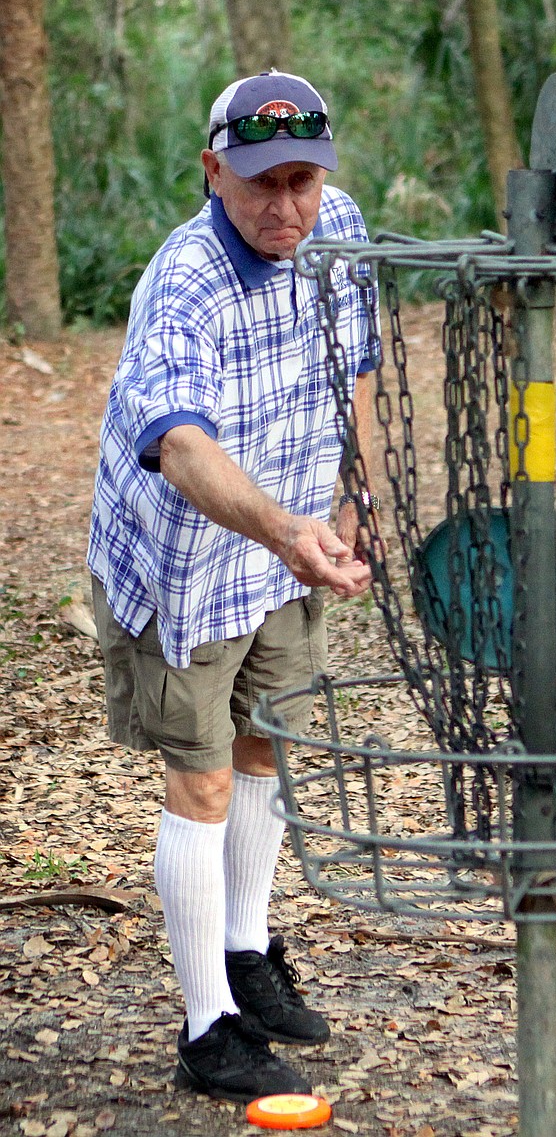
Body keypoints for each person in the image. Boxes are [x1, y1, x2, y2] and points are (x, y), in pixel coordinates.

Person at [87, 70, 380, 1102]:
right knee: (202, 775)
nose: (285, 206)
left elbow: (357, 364)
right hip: (187, 559)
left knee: (268, 742)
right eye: (261, 182)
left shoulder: (335, 231)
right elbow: (177, 441)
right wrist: (285, 527)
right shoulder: (187, 281)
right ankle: (206, 1020)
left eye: (302, 179)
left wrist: (358, 496)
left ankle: (249, 953)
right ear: (213, 171)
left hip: (294, 531)